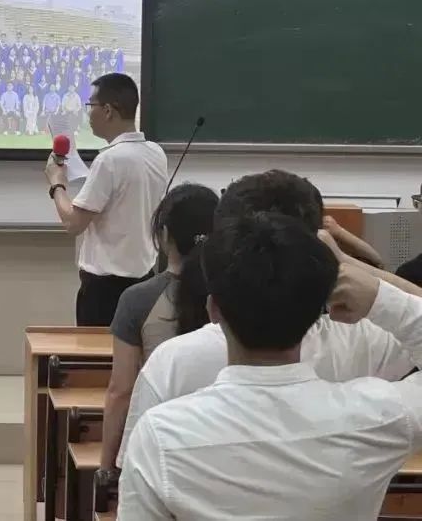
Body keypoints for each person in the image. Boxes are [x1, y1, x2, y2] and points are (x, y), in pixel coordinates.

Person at [118, 212, 422, 521]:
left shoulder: (161, 435)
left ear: (213, 310)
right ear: (316, 311)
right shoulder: (379, 416)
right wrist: (381, 299)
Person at [98, 183, 218, 478]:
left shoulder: (138, 299)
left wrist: (106, 468)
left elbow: (121, 391)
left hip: (155, 452)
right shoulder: (235, 294)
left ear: (164, 235)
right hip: (221, 446)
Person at [45, 74, 167, 326]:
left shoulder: (110, 160)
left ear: (108, 110)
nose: (88, 113)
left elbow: (73, 223)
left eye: (91, 105)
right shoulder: (156, 153)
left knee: (97, 352)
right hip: (144, 282)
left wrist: (57, 183)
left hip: (105, 292)